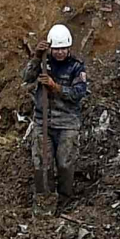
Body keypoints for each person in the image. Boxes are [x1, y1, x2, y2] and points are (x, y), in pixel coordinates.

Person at [33, 25, 90, 194]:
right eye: (56, 49)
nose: (59, 52)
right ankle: (45, 198)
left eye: (63, 49)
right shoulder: (44, 62)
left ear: (69, 47)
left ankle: (65, 197)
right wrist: (36, 57)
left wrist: (55, 87)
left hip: (67, 122)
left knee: (65, 163)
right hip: (43, 121)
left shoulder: (76, 67)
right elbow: (26, 77)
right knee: (42, 164)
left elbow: (78, 93)